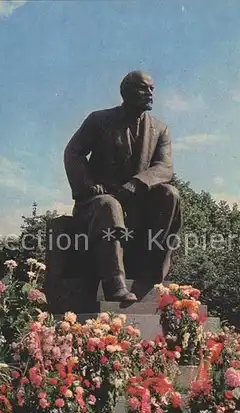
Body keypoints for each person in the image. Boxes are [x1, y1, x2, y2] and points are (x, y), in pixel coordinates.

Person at [64, 70, 181, 302]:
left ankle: (149, 275)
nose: (149, 94)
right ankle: (114, 284)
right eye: (143, 88)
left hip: (137, 203)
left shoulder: (160, 129)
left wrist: (136, 185)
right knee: (109, 206)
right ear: (125, 92)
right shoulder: (99, 120)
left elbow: (164, 168)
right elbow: (73, 152)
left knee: (170, 194)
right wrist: (88, 185)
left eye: (152, 89)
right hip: (98, 201)